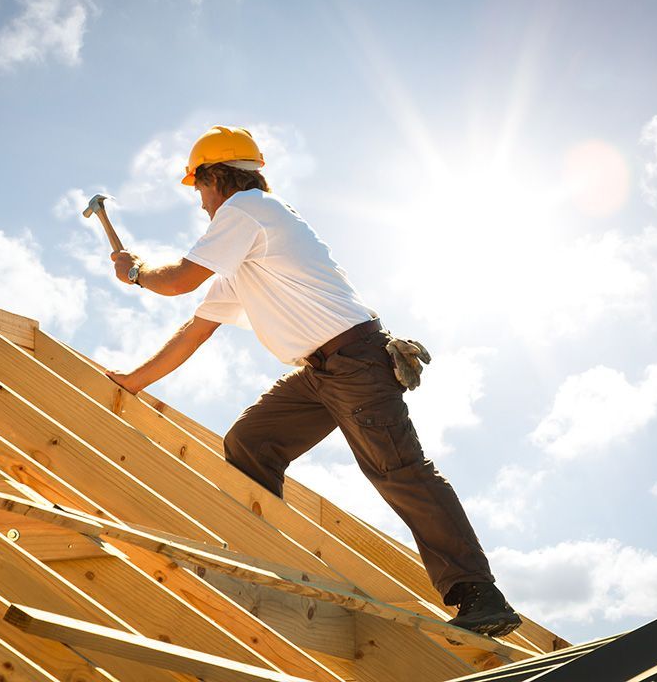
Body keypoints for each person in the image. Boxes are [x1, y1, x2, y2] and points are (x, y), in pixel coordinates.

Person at [105, 125, 522, 637]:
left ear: (215, 178)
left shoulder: (246, 211)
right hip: (322, 371)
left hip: (355, 362)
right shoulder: (244, 250)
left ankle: (479, 594)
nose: (201, 203)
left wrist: (135, 271)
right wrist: (131, 382)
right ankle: (266, 556)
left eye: (199, 189)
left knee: (399, 472)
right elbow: (195, 331)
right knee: (251, 441)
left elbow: (176, 281)